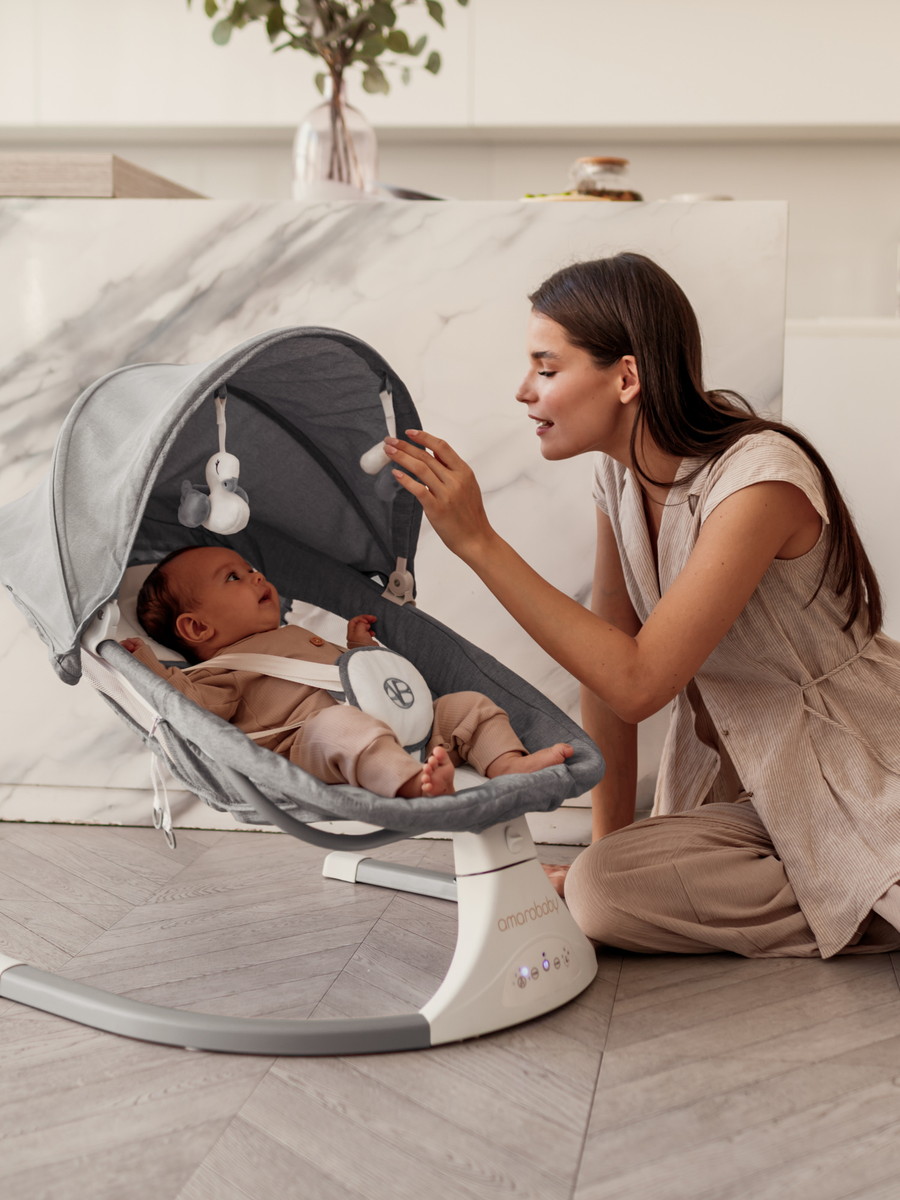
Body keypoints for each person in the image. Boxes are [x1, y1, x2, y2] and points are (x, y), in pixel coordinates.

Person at [383, 250, 900, 960]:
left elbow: (638, 681)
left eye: (546, 368)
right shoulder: (618, 479)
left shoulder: (760, 480)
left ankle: (869, 884)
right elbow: (605, 670)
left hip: (858, 770)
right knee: (602, 887)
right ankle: (849, 886)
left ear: (626, 377)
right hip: (749, 791)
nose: (523, 391)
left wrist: (478, 541)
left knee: (600, 894)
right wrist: (606, 849)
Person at [121, 545, 572, 800]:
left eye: (251, 569)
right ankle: (414, 786)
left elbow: (354, 679)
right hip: (313, 748)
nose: (257, 577)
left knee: (467, 706)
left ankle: (506, 765)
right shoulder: (219, 673)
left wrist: (359, 649)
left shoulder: (293, 635)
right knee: (338, 725)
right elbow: (189, 710)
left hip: (396, 726)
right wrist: (147, 668)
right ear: (197, 628)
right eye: (233, 578)